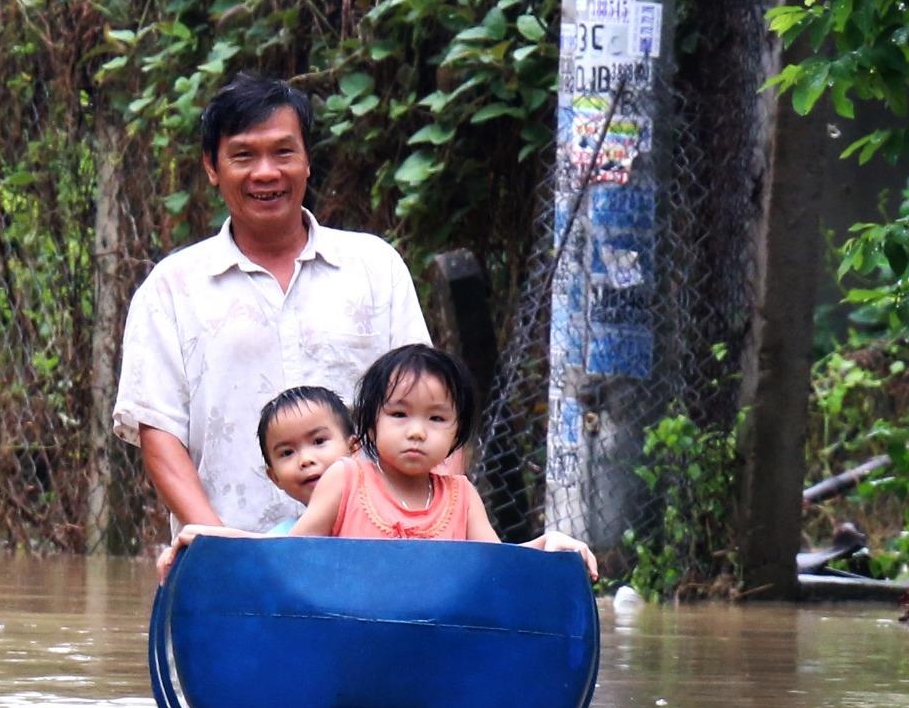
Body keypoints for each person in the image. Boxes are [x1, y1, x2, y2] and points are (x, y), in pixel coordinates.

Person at [113, 73, 431, 536]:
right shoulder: (170, 289)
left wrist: (424, 532)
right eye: (243, 155)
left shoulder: (375, 268)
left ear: (307, 161)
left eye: (283, 152)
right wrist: (224, 549)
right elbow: (159, 435)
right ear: (212, 167)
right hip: (232, 553)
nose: (266, 172)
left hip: (372, 554)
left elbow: (428, 406)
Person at [163, 345, 598, 580]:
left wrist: (548, 545)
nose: (416, 431)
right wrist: (213, 538)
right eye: (399, 414)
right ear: (369, 425)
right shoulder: (346, 477)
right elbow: (286, 553)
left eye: (436, 419)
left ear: (456, 435)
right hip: (345, 640)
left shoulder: (462, 496)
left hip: (430, 647)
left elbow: (498, 564)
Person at [256, 385, 358, 532]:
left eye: (319, 441)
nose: (305, 460)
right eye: (287, 453)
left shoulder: (386, 518)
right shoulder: (280, 539)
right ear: (275, 477)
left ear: (353, 448)